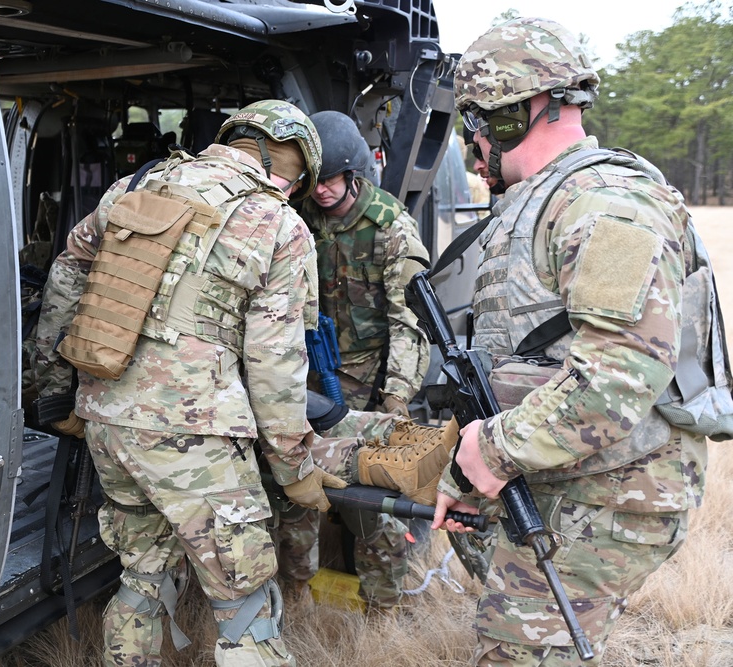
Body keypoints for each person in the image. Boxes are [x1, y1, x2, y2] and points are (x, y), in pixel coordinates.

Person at [431, 17, 709, 665]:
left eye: (476, 123)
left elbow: (617, 377)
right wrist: (467, 473)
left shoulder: (605, 202)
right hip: (569, 474)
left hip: (614, 491)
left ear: (510, 115)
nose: (473, 148)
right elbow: (536, 361)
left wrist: (494, 450)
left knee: (515, 651)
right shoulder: (552, 199)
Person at [34, 99, 348, 667]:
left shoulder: (134, 188)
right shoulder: (277, 222)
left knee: (143, 574)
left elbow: (65, 277)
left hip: (107, 417)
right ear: (294, 167)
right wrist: (295, 469)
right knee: (245, 597)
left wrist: (57, 392)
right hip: (195, 435)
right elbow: (276, 366)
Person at [283, 109, 432, 613]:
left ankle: (385, 606)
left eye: (330, 180)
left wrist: (394, 400)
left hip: (368, 378)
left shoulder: (390, 228)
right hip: (304, 371)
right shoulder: (297, 217)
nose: (321, 190)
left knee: (371, 503)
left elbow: (409, 322)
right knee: (295, 484)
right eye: (314, 180)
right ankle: (297, 598)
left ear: (353, 173)